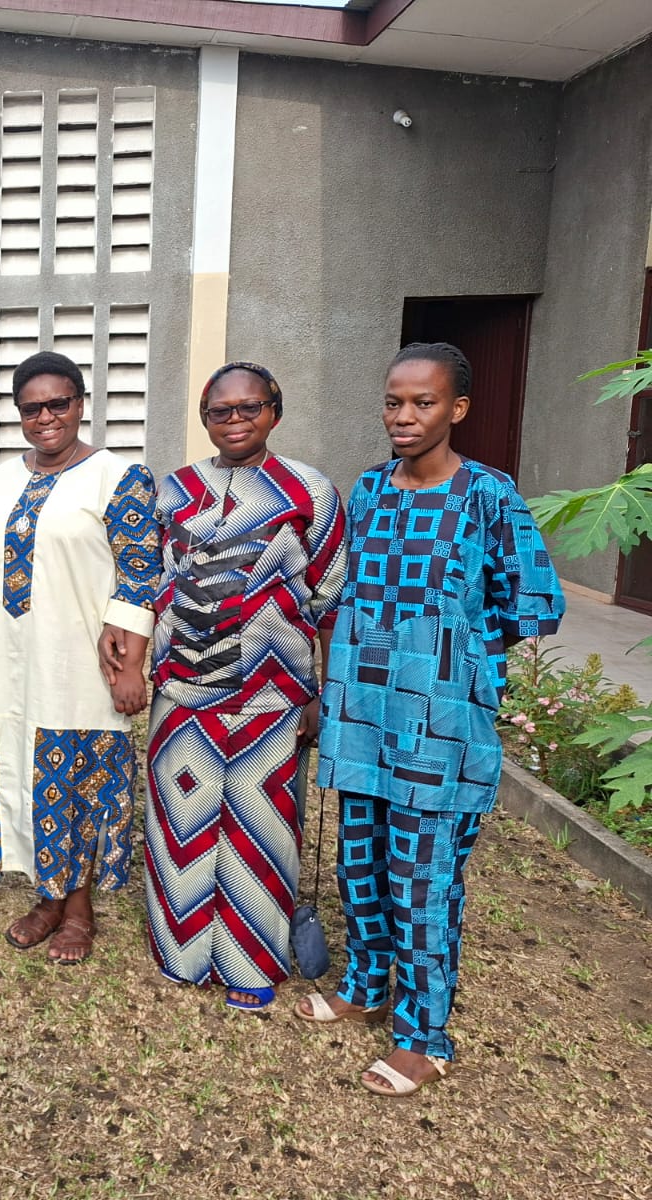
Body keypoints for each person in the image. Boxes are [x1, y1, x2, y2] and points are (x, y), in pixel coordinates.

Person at [302, 342, 565, 1096]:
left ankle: (424, 1035)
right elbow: (345, 593)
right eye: (395, 402)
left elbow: (535, 601)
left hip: (441, 726)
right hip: (364, 713)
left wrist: (456, 657)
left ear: (458, 408)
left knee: (423, 878)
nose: (406, 416)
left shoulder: (487, 494)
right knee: (359, 861)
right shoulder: (369, 489)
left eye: (424, 402)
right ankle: (366, 985)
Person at [143, 362, 345, 1013]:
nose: (234, 420)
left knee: (261, 826)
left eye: (248, 408)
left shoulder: (310, 492)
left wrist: (320, 691)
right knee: (182, 816)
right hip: (183, 690)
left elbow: (330, 598)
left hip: (272, 693)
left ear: (273, 413)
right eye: (220, 411)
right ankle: (181, 953)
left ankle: (250, 962)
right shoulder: (175, 490)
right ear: (205, 418)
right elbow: (152, 582)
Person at [0, 351, 162, 964]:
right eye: (31, 408)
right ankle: (47, 898)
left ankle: (78, 910)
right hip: (8, 655)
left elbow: (140, 574)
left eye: (58, 404)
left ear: (80, 403)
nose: (46, 417)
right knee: (22, 768)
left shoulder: (117, 476)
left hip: (78, 658)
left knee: (75, 777)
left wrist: (131, 666)